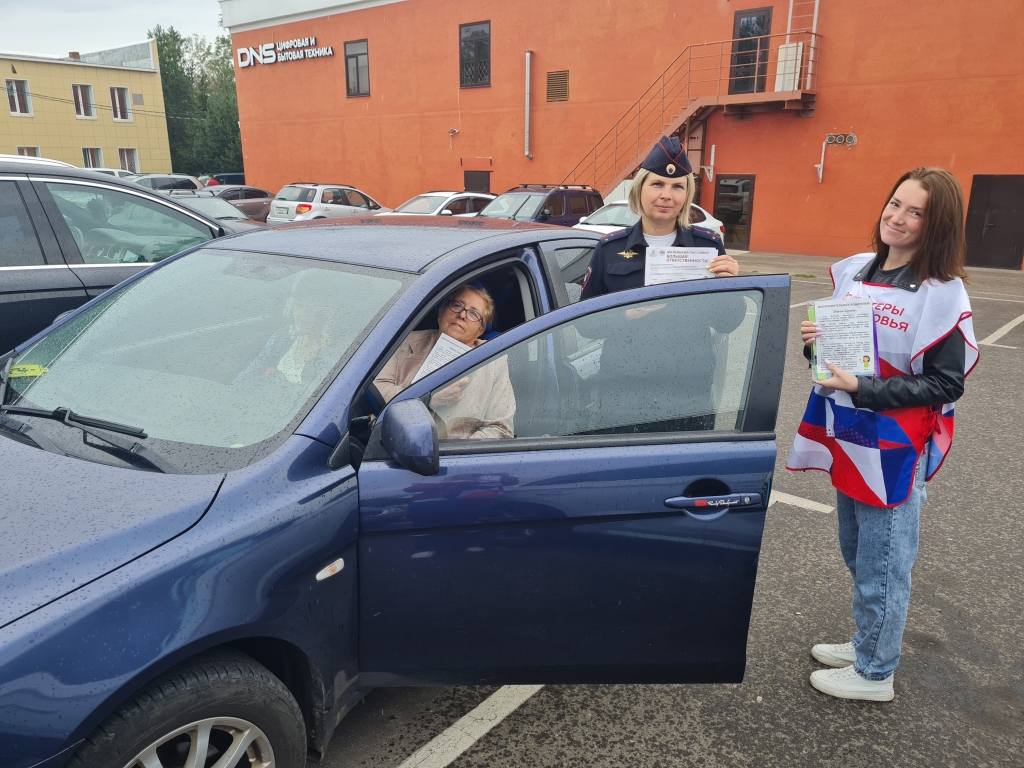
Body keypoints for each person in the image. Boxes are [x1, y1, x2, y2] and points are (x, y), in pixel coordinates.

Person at [787, 167, 978, 702]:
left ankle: (875, 672)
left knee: (885, 562)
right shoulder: (856, 269)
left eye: (916, 212)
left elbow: (946, 383)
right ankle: (867, 641)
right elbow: (836, 359)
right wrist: (814, 345)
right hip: (850, 433)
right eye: (896, 203)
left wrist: (863, 387)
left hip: (895, 445)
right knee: (858, 550)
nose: (898, 217)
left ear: (936, 225)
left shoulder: (943, 293)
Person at [577, 135, 746, 431]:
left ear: (687, 194)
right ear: (640, 189)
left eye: (677, 186)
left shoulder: (706, 247)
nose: (667, 195)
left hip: (688, 396)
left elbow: (727, 322)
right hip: (622, 396)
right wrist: (629, 313)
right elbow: (586, 325)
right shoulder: (609, 249)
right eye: (657, 184)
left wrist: (731, 286)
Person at [374, 284, 515, 439]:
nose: (462, 315)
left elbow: (501, 430)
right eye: (457, 305)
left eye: (474, 314)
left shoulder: (493, 360)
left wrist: (451, 449)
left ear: (480, 330)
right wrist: (425, 400)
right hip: (391, 440)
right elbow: (377, 392)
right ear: (441, 312)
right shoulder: (405, 341)